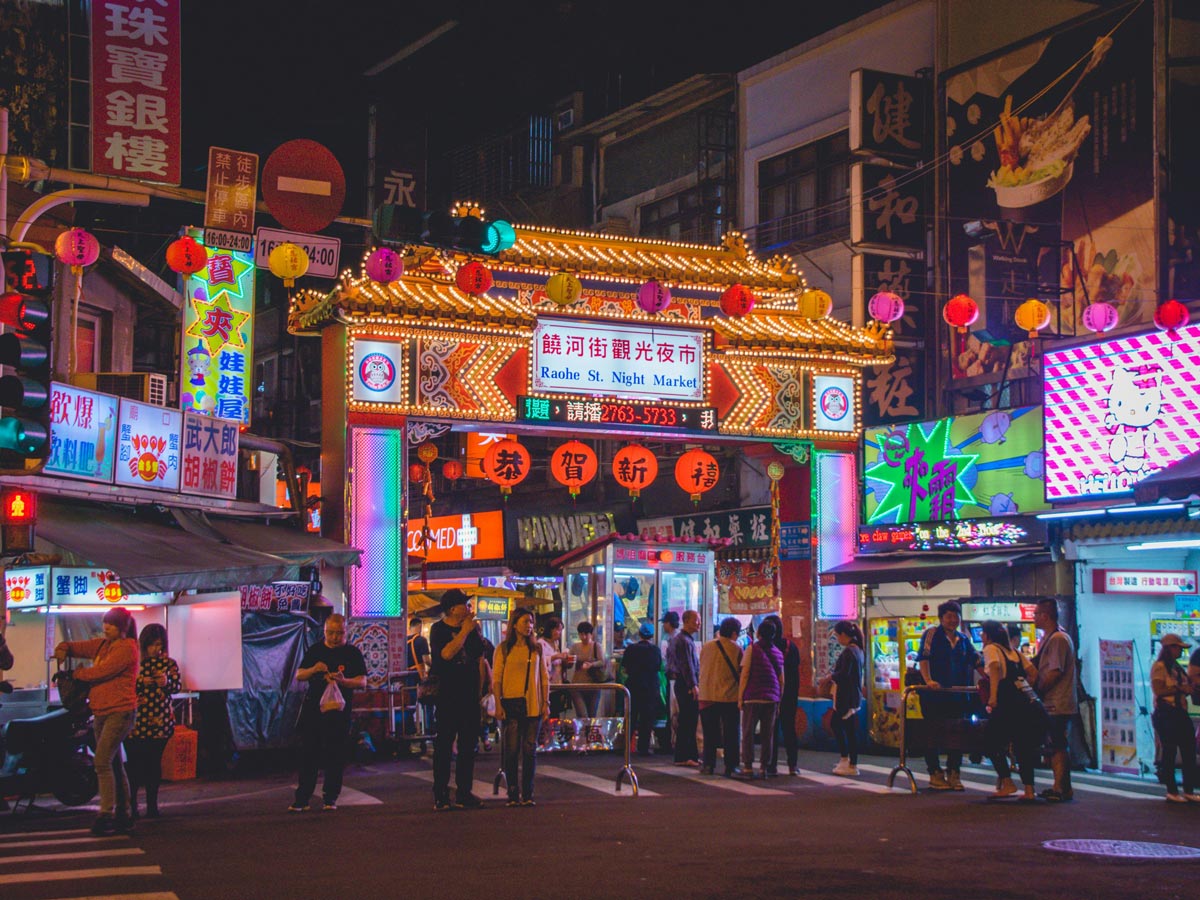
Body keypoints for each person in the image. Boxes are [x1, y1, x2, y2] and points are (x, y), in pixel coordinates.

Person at [55, 607, 140, 835]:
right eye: (105, 624)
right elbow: (81, 647)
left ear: (122, 628)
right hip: (101, 711)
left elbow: (102, 672)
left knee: (101, 761)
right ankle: (124, 813)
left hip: (120, 712)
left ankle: (106, 814)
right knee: (113, 763)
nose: (106, 628)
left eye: (111, 624)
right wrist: (64, 647)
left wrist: (76, 674)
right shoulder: (103, 645)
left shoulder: (127, 649)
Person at [289, 614, 367, 813]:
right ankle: (302, 798)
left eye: (339, 633)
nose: (334, 637)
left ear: (346, 632)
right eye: (330, 633)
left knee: (335, 755)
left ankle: (330, 797)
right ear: (324, 631)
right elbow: (299, 674)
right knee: (309, 754)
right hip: (314, 711)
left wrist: (343, 681)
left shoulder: (352, 653)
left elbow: (362, 681)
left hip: (339, 713)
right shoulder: (315, 650)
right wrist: (315, 668)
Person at [917, 600, 984, 791]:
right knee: (934, 733)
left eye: (956, 616)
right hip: (935, 695)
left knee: (958, 733)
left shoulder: (963, 639)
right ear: (941, 618)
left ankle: (954, 773)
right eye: (949, 616)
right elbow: (924, 658)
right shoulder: (931, 634)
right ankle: (935, 773)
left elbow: (976, 660)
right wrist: (929, 680)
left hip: (958, 695)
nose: (953, 620)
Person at [429, 589, 486, 811]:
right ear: (453, 608)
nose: (468, 608)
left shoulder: (474, 629)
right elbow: (446, 654)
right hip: (447, 696)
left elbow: (480, 658)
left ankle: (464, 792)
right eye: (465, 604)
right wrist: (464, 631)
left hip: (470, 696)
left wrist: (480, 691)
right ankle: (441, 794)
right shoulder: (439, 629)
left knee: (468, 747)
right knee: (444, 746)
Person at [979, 620, 1044, 801]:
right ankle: (1029, 790)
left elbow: (994, 669)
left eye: (983, 633)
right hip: (1023, 704)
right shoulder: (1014, 651)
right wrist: (1022, 689)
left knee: (990, 743)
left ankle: (1007, 783)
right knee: (1023, 745)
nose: (981, 637)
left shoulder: (991, 649)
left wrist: (993, 697)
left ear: (988, 635)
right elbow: (1033, 673)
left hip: (1006, 703)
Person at [125, 624, 181, 820]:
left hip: (160, 722)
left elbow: (176, 686)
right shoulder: (134, 664)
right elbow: (123, 686)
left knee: (153, 764)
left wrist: (166, 682)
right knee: (134, 765)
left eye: (159, 644)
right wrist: (140, 683)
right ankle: (131, 805)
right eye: (151, 645)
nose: (155, 649)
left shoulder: (169, 664)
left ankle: (152, 805)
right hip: (135, 721)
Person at [493, 609, 549, 807]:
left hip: (534, 705)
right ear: (514, 624)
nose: (529, 626)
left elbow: (544, 677)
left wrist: (546, 702)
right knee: (512, 750)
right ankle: (513, 793)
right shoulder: (503, 649)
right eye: (525, 621)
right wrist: (498, 704)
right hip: (512, 704)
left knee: (529, 750)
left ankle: (528, 793)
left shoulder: (536, 649)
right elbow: (497, 678)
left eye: (531, 622)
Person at [1032, 598, 1077, 802]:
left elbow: (1054, 671)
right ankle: (1060, 786)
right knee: (1055, 744)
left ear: (1045, 616)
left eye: (1036, 614)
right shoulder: (1052, 637)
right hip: (1055, 701)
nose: (1034, 618)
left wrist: (1038, 690)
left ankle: (1061, 787)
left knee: (1058, 744)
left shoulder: (1058, 639)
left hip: (1057, 701)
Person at [1150, 634, 1198, 802]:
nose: (1181, 652)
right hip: (1166, 713)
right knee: (1169, 751)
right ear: (1169, 648)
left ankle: (1189, 789)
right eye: (1178, 648)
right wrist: (1180, 689)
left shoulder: (1177, 667)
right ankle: (1172, 790)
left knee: (1189, 750)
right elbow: (1159, 689)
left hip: (1180, 712)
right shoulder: (1160, 667)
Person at [738, 617, 783, 779]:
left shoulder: (752, 649)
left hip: (753, 697)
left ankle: (748, 767)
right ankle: (764, 767)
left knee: (748, 732)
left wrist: (740, 697)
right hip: (772, 699)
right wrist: (779, 700)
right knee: (767, 735)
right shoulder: (778, 653)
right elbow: (781, 680)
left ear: (758, 633)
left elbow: (745, 674)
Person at [699, 617, 743, 776]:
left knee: (709, 733)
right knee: (731, 733)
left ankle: (708, 764)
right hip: (728, 696)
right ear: (733, 633)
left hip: (706, 695)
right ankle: (731, 766)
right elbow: (741, 672)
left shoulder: (706, 646)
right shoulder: (736, 649)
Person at [764, 614, 802, 776]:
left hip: (770, 693)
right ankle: (792, 764)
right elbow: (796, 671)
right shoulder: (790, 646)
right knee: (789, 729)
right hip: (789, 695)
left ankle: (771, 765)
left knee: (770, 730)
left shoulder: (763, 648)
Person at [829, 621, 865, 777]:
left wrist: (829, 677)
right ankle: (849, 761)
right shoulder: (857, 650)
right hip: (853, 696)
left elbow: (843, 674)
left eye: (837, 635)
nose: (837, 639)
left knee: (839, 726)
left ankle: (848, 761)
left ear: (843, 635)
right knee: (848, 729)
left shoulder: (849, 652)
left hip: (846, 696)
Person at [621, 623, 663, 757]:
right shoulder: (655, 650)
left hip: (633, 686)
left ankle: (626, 746)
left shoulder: (631, 649)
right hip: (650, 688)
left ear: (639, 634)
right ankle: (643, 748)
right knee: (647, 718)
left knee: (631, 716)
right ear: (651, 636)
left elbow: (625, 667)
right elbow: (658, 667)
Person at [668, 609, 702, 766]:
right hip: (686, 684)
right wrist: (693, 685)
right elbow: (686, 665)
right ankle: (686, 756)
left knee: (687, 720)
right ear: (686, 621)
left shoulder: (682, 639)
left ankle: (686, 756)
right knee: (689, 720)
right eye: (696, 620)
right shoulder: (683, 641)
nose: (699, 624)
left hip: (684, 683)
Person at [569, 621, 606, 718]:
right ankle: (582, 732)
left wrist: (592, 664)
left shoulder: (596, 646)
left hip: (593, 685)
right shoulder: (575, 647)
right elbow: (569, 662)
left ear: (591, 634)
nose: (583, 637)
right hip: (577, 685)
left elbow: (602, 661)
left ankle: (589, 732)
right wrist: (568, 661)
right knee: (582, 714)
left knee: (592, 714)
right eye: (581, 634)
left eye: (586, 634)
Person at [406, 617, 435, 742]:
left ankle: (409, 729)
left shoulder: (404, 641)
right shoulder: (421, 640)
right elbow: (426, 660)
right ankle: (428, 731)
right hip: (419, 677)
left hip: (407, 677)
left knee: (409, 705)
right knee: (427, 704)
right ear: (420, 627)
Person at [538, 617, 571, 717]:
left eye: (561, 630)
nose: (559, 633)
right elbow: (540, 662)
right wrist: (556, 656)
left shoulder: (556, 643)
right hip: (547, 685)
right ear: (550, 629)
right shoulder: (540, 643)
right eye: (557, 630)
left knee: (556, 714)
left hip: (558, 683)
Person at [659, 611, 680, 754]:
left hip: (675, 679)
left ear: (669, 624)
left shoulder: (675, 639)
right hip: (673, 679)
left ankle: (673, 744)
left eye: (664, 623)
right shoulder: (672, 638)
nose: (663, 625)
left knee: (674, 711)